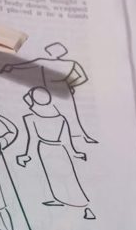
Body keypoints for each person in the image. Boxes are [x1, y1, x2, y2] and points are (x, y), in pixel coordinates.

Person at [16, 87, 95, 220]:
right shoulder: (60, 118)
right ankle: (59, 198)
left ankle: (83, 206)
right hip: (59, 149)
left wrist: (27, 155)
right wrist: (74, 152)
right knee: (57, 176)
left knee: (63, 176)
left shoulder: (30, 118)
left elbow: (33, 139)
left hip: (45, 149)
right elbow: (66, 140)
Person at [0, 42, 96, 143]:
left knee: (46, 114)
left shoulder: (44, 61)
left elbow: (25, 65)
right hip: (62, 90)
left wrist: (11, 67)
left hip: (48, 93)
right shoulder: (71, 63)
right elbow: (82, 78)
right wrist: (70, 84)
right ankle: (77, 136)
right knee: (69, 115)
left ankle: (53, 135)